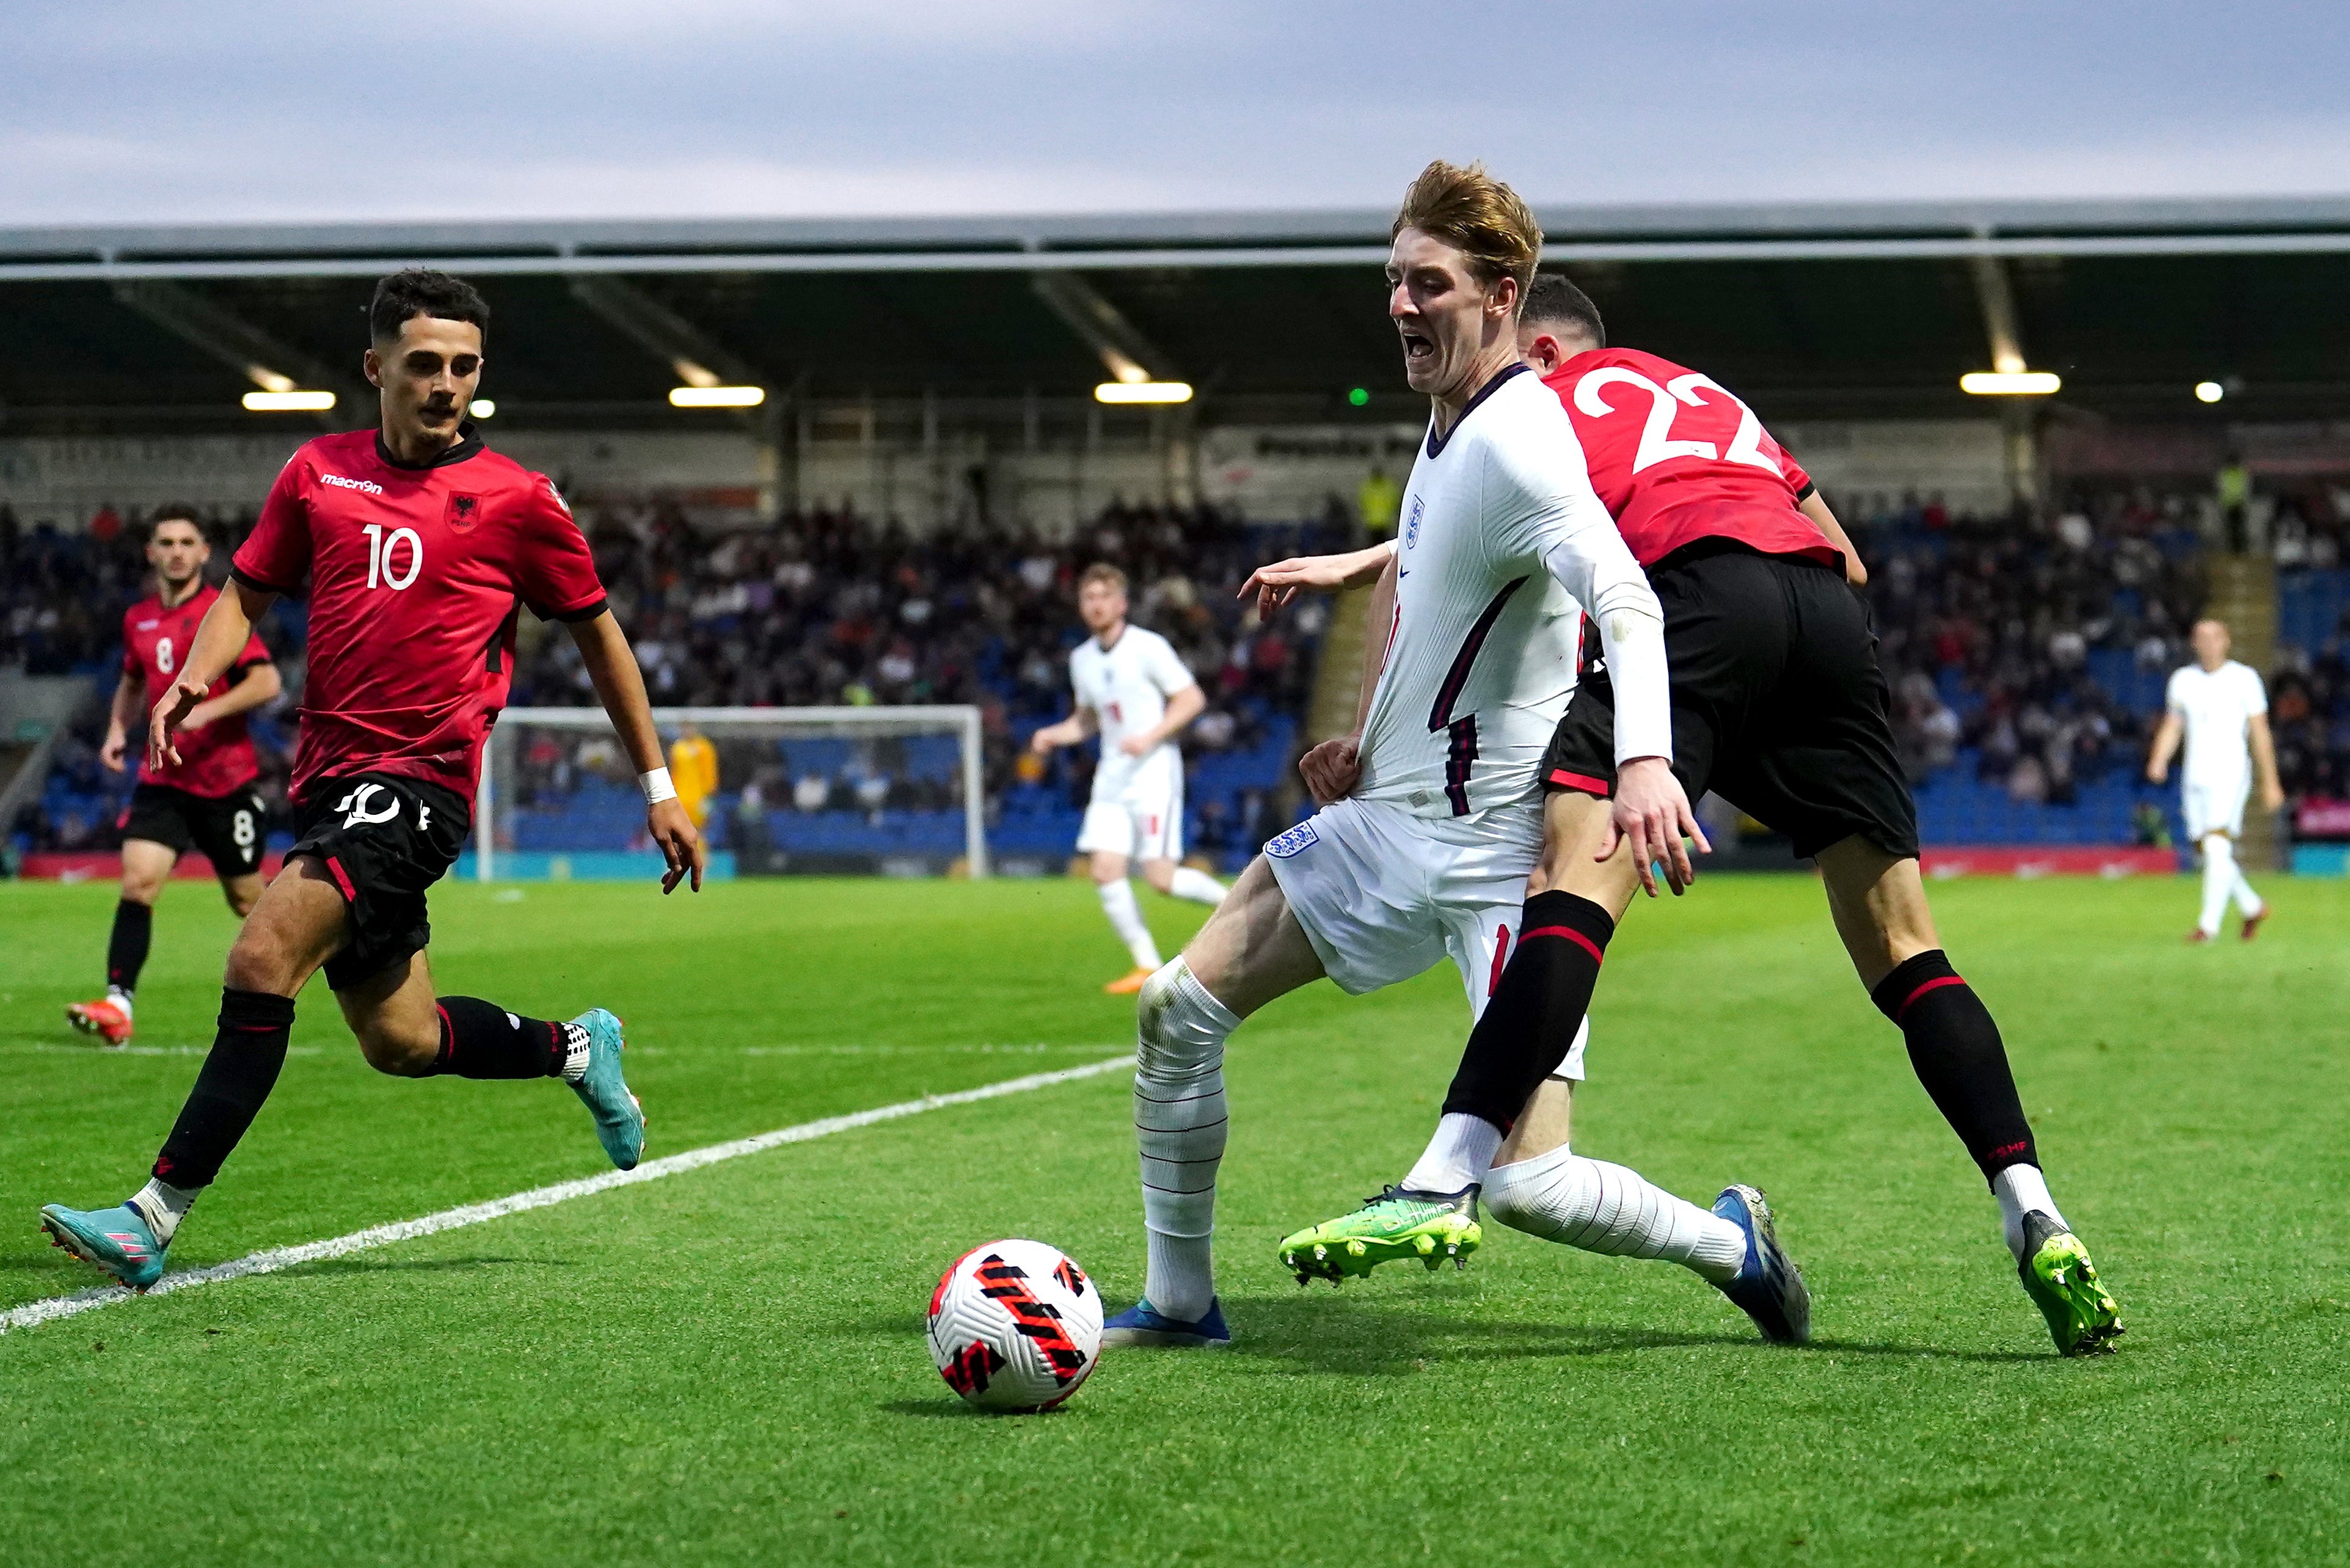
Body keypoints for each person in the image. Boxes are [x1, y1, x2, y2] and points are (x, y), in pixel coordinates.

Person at [1274, 270, 2122, 1356]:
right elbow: (1849, 555)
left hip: (1696, 599)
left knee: (1568, 887)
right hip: (1820, 616)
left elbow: (1484, 533)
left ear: (1535, 350)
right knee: (1908, 950)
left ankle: (1442, 1176)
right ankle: (2031, 1206)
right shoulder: (1706, 395)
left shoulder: (1532, 407)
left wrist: (1368, 563)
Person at [1100, 162, 1806, 1352]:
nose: (1399, 303)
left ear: (1500, 297)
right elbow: (1445, 602)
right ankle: (1178, 1301)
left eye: (1427, 282)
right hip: (1391, 823)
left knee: (1533, 1183)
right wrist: (1366, 747)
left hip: (1499, 862)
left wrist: (1644, 763)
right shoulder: (1447, 426)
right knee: (1177, 1008)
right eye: (1391, 279)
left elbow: (1628, 602)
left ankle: (1734, 1242)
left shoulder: (1523, 434)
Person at [40, 268, 705, 1291]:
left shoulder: (520, 501)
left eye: (465, 366)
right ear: (377, 367)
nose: (447, 384)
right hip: (327, 780)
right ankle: (577, 1048)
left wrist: (658, 784)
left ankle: (151, 1214)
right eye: (426, 363)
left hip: (420, 785)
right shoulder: (317, 473)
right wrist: (187, 679)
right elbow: (245, 592)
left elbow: (601, 638)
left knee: (261, 950)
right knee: (400, 1039)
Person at [67, 509, 282, 1048]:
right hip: (162, 775)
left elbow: (267, 681)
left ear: (205, 551)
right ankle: (118, 1005)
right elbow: (133, 679)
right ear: (152, 553)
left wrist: (208, 711)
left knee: (245, 899)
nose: (178, 551)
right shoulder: (138, 617)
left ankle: (313, 967)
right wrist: (118, 728)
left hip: (225, 781)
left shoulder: (222, 612)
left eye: (188, 542)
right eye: (167, 542)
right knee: (138, 883)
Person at [1030, 564, 1228, 994]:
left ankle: (1238, 906)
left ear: (1121, 603)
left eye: (1104, 596)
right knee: (1104, 869)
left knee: (1161, 878)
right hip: (1112, 776)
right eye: (1088, 597)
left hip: (1153, 772)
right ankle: (1145, 965)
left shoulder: (1147, 647)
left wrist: (1150, 736)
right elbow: (1087, 721)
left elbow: (1191, 698)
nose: (1096, 604)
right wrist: (1055, 734)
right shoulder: (1081, 659)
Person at [2147, 618, 2281, 941]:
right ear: (2194, 643)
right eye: (2202, 638)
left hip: (2231, 772)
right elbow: (2173, 725)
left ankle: (2208, 927)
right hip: (2195, 775)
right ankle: (2252, 906)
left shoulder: (2244, 679)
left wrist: (2270, 781)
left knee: (2217, 846)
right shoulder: (2183, 680)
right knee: (2208, 851)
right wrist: (2159, 759)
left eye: (2215, 637)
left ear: (2227, 641)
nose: (2209, 644)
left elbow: (2260, 731)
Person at [669, 722, 718, 830]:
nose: (687, 731)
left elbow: (709, 770)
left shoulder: (704, 747)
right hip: (681, 796)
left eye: (690, 727)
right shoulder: (677, 748)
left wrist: (709, 795)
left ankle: (700, 847)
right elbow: (674, 772)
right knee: (681, 829)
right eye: (684, 728)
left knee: (699, 829)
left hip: (699, 796)